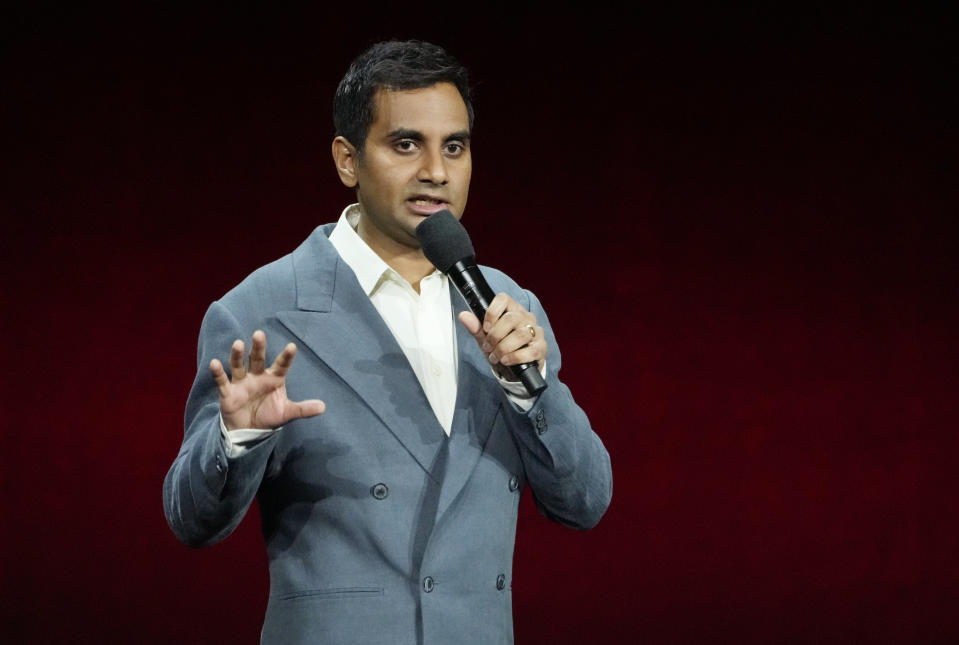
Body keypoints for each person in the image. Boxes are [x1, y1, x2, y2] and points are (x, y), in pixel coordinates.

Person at [163, 39, 612, 644]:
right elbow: (193, 521)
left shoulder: (509, 309)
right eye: (406, 144)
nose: (436, 171)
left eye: (455, 146)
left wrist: (534, 395)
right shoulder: (262, 310)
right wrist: (238, 437)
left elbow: (583, 502)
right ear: (348, 160)